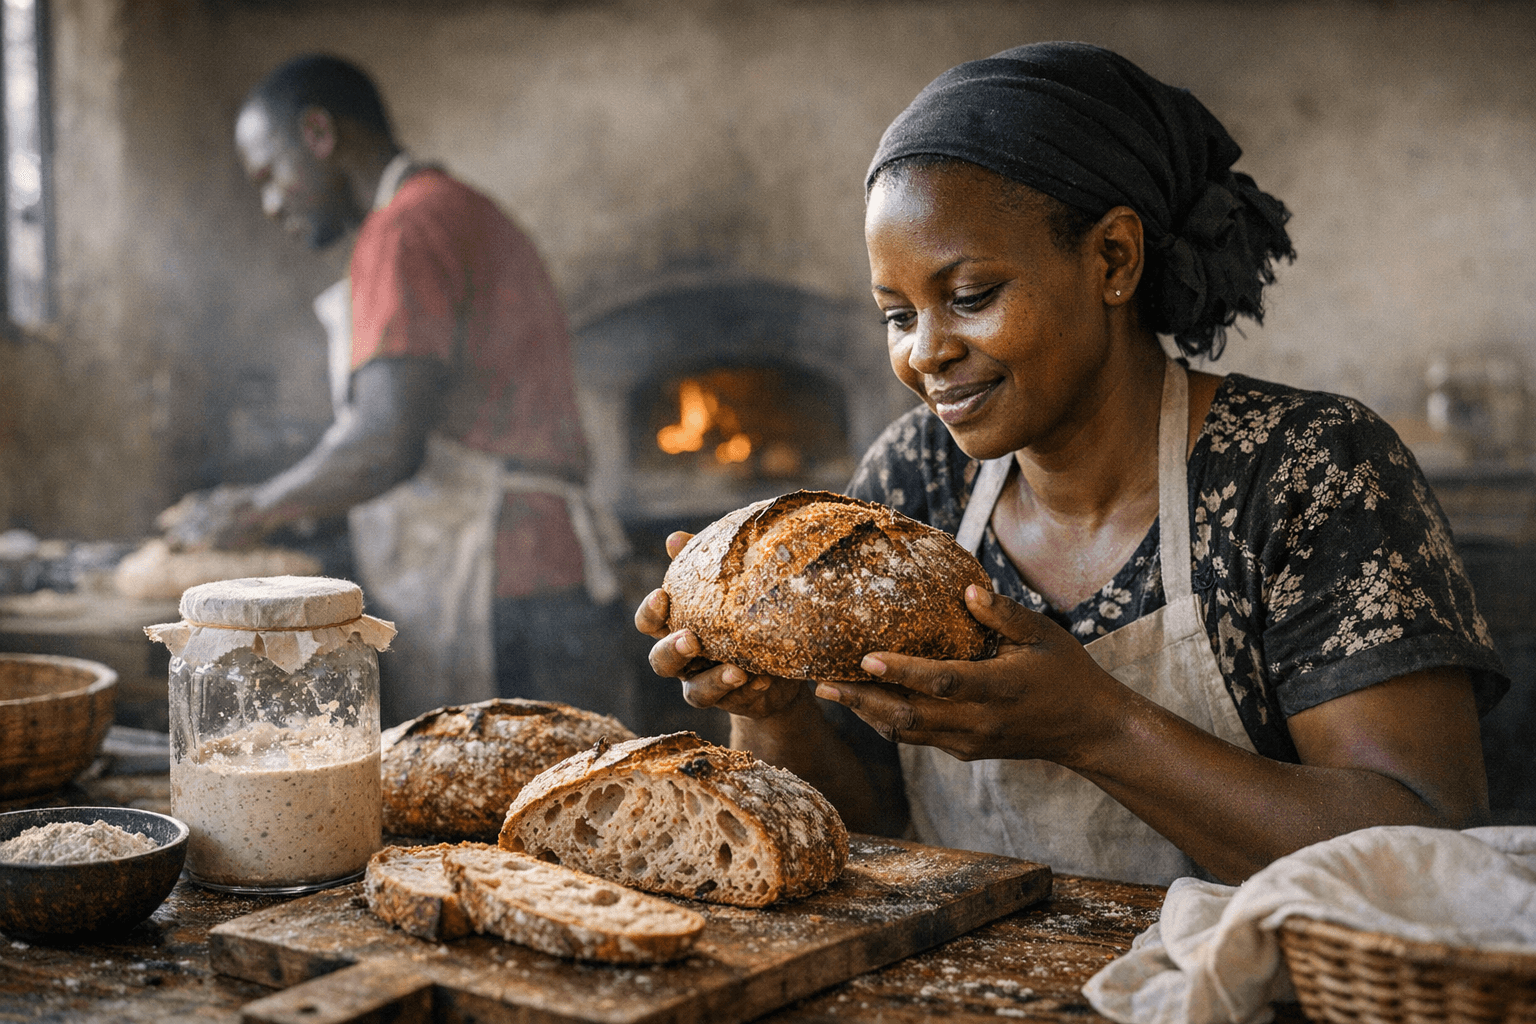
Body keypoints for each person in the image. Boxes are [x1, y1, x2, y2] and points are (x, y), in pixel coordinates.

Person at [636, 42, 1507, 886]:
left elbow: (1427, 851)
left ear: (1113, 259)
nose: (926, 354)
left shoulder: (1305, 471)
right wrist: (777, 716)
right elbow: (863, 827)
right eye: (897, 315)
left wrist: (1096, 728)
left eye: (969, 296)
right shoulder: (916, 477)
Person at [162, 55, 633, 726]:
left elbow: (385, 439)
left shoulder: (405, 228)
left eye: (270, 175)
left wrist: (253, 508)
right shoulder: (461, 208)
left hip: (501, 576)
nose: (271, 205)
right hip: (551, 570)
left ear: (319, 134)